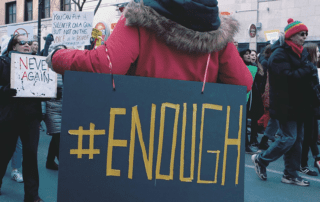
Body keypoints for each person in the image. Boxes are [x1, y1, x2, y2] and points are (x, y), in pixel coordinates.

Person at [46, 0, 253, 92]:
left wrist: (56, 55)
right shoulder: (217, 34)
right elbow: (243, 82)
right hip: (193, 142)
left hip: (141, 131)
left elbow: (104, 65)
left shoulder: (139, 19)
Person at [252, 18, 315, 186]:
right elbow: (285, 79)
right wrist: (306, 70)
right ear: (292, 35)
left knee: (297, 140)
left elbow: (307, 75)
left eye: (306, 34)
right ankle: (261, 159)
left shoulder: (300, 52)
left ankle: (290, 174)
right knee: (288, 138)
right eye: (301, 34)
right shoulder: (279, 54)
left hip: (299, 104)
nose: (304, 37)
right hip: (284, 104)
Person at [0, 34, 44, 202]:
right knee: (4, 153)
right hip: (10, 116)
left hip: (31, 117)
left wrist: (49, 93)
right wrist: (5, 90)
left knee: (31, 155)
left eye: (30, 43)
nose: (27, 45)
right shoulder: (3, 63)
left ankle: (32, 196)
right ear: (13, 47)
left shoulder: (39, 64)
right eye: (22, 42)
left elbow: (43, 88)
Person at [44, 44, 67, 171]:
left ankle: (49, 161)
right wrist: (41, 112)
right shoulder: (47, 69)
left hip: (65, 106)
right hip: (52, 107)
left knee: (58, 135)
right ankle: (63, 163)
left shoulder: (69, 68)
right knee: (58, 136)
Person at [299, 42, 320, 176]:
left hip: (311, 106)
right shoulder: (308, 67)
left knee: (311, 136)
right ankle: (304, 164)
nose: (319, 54)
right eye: (317, 51)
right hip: (307, 106)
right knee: (306, 137)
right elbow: (312, 89)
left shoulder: (311, 67)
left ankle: (315, 160)